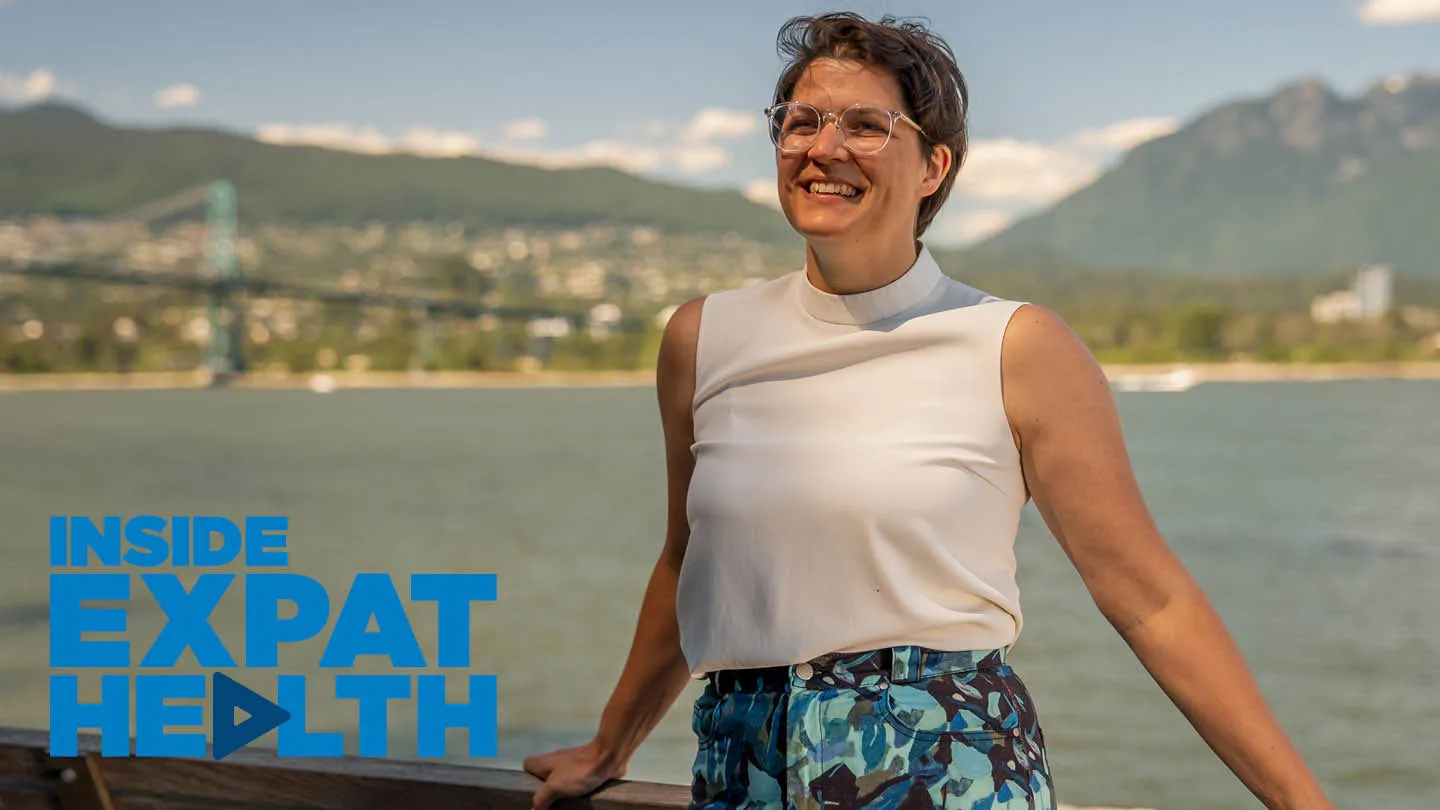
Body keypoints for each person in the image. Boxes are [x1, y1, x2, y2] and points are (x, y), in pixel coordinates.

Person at [525, 12, 1337, 810]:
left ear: (933, 166)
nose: (823, 147)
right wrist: (610, 745)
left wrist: (1302, 803)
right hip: (744, 768)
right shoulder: (703, 338)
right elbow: (687, 562)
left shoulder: (1015, 346)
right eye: (800, 121)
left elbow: (1147, 597)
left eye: (867, 125)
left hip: (947, 763)